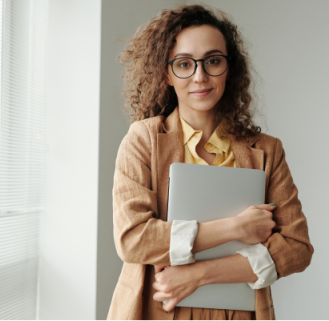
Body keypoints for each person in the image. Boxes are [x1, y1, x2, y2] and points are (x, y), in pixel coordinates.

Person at [109, 5, 314, 321]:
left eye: (213, 61)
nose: (200, 76)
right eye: (184, 64)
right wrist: (236, 227)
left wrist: (198, 274)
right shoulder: (143, 140)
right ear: (166, 73)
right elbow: (134, 239)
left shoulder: (267, 151)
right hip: (155, 310)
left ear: (229, 68)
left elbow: (297, 249)